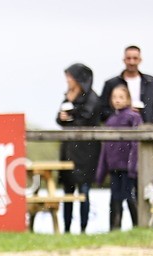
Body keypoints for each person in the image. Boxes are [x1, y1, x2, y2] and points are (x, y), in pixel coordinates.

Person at [55, 64, 100, 234]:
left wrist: (70, 115)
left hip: (86, 151)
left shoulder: (93, 98)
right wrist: (63, 116)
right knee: (67, 190)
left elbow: (85, 119)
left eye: (70, 77)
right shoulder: (67, 97)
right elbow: (59, 119)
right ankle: (66, 228)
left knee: (84, 190)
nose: (67, 80)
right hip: (68, 149)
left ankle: (83, 228)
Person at [96, 84, 143, 231]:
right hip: (114, 166)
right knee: (115, 198)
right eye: (114, 97)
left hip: (128, 167)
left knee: (130, 196)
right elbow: (106, 148)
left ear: (128, 99)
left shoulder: (133, 117)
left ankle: (137, 225)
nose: (117, 100)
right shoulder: (110, 121)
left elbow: (137, 144)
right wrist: (101, 171)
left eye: (121, 97)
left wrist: (134, 165)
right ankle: (114, 228)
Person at [98, 45, 153, 124]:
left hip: (147, 129)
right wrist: (121, 114)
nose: (132, 62)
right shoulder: (111, 83)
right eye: (128, 58)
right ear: (124, 60)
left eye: (135, 58)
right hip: (119, 130)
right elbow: (102, 110)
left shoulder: (150, 82)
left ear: (140, 60)